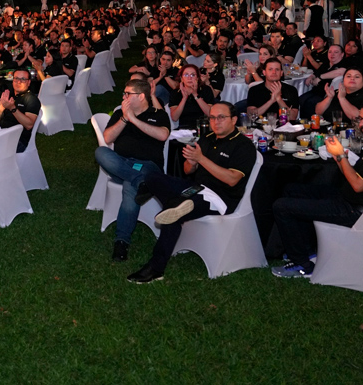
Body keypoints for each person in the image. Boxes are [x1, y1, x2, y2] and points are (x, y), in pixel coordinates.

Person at [126, 102, 257, 283]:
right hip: (196, 188)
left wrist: (201, 159)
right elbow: (188, 170)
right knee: (153, 176)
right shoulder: (207, 138)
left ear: (234, 120)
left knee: (173, 214)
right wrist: (192, 162)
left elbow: (232, 179)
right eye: (212, 118)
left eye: (221, 117)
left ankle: (156, 268)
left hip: (220, 198)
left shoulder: (243, 146)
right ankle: (171, 201)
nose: (216, 122)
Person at [270, 104, 363, 278]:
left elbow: (358, 185)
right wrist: (338, 155)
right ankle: (308, 252)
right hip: (347, 197)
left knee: (281, 206)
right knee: (291, 189)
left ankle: (302, 265)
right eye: (361, 119)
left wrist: (341, 156)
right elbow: (354, 176)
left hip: (357, 210)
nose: (362, 124)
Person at [94, 78, 170, 262]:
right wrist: (124, 118)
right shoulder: (119, 113)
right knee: (101, 152)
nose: (124, 97)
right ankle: (141, 182)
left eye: (128, 94)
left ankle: (121, 241)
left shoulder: (158, 114)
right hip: (121, 164)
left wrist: (134, 120)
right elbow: (107, 138)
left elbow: (163, 135)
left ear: (141, 96)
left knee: (131, 187)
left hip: (147, 165)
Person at [0, 68, 39, 163]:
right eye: (16, 78)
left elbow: (29, 125)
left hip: (17, 141)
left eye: (23, 79)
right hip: (1, 134)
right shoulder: (8, 95)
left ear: (29, 82)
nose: (19, 82)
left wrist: (13, 108)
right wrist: (1, 107)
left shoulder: (31, 100)